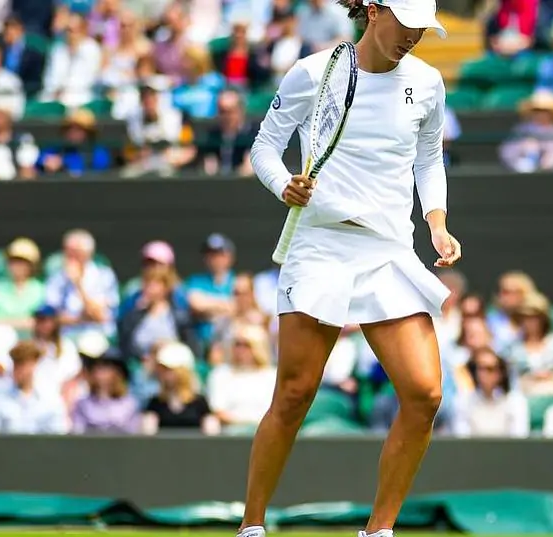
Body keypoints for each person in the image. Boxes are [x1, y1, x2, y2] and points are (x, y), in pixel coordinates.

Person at [241, 0, 460, 536]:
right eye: (407, 24)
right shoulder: (313, 72)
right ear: (375, 12)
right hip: (320, 246)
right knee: (293, 396)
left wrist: (436, 222)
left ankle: (378, 530)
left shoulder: (428, 83)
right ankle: (251, 526)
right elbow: (265, 147)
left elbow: (428, 158)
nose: (415, 36)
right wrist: (283, 183)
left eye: (423, 28)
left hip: (389, 251)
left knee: (426, 394)